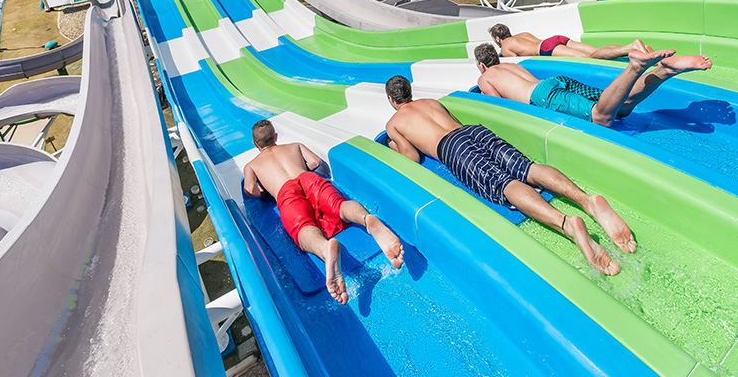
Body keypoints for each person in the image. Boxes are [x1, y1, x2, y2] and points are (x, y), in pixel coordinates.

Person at [384, 75, 634, 275]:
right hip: (474, 132)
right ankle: (587, 201)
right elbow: (455, 123)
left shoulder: (394, 122)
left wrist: (395, 146)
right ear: (410, 92)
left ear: (392, 100)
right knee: (527, 168)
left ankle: (566, 224)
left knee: (504, 184)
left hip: (452, 148)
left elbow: (411, 157)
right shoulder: (431, 102)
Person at [243, 120, 404, 304]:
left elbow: (250, 190)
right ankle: (366, 219)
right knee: (338, 204)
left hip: (284, 192)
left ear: (255, 144)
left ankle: (324, 249)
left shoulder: (252, 165)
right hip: (308, 178)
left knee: (302, 228)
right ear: (276, 137)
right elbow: (314, 162)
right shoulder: (294, 145)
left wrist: (263, 191)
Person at [474, 43, 712, 127]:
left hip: (543, 95)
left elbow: (498, 105)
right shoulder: (513, 66)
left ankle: (636, 66)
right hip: (554, 82)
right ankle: (665, 70)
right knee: (620, 107)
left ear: (480, 64)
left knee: (601, 117)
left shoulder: (485, 78)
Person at [488, 23, 646, 59]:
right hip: (555, 39)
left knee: (590, 58)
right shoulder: (522, 34)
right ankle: (631, 48)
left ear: (497, 38)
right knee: (594, 51)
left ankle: (631, 47)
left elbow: (517, 63)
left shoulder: (506, 46)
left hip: (547, 48)